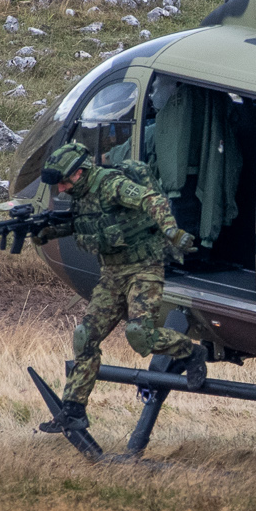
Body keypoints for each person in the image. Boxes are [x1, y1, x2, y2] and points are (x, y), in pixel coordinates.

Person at [35, 140, 201, 435]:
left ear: (80, 172)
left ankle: (188, 351)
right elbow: (82, 225)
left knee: (140, 335)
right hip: (112, 274)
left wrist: (172, 232)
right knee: (85, 337)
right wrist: (44, 231)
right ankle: (73, 410)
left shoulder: (112, 185)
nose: (60, 190)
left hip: (143, 268)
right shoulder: (81, 195)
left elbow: (152, 200)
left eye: (62, 183)